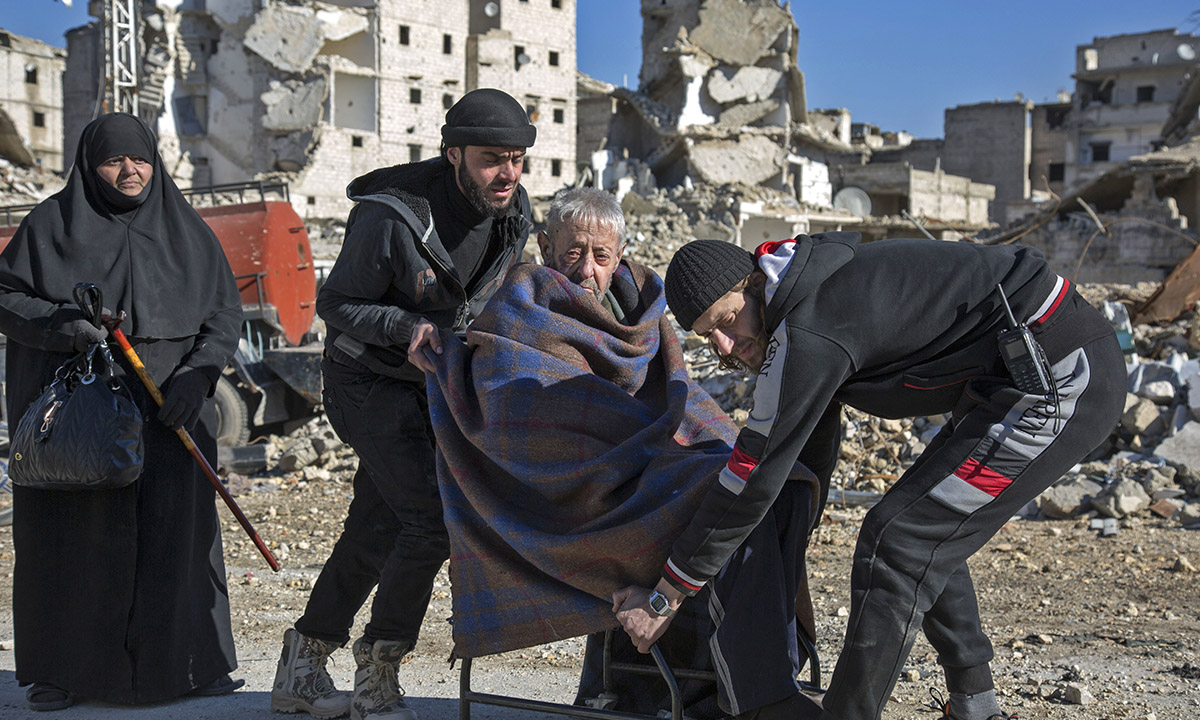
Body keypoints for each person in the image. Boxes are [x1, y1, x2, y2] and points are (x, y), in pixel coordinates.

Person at [612, 233, 1126, 720]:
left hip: (1058, 376)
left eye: (727, 320)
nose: (724, 345)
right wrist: (782, 543)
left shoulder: (806, 330)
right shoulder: (802, 291)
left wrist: (667, 594)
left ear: (752, 286)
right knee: (915, 527)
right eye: (707, 337)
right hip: (1009, 380)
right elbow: (802, 460)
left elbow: (752, 474)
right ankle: (976, 707)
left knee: (898, 542)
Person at [425, 187, 821, 719]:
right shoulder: (520, 309)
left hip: (645, 475)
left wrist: (713, 452)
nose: (587, 268)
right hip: (572, 501)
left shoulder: (642, 314)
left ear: (621, 255)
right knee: (718, 497)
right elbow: (515, 417)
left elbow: (678, 398)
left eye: (602, 255)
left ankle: (744, 680)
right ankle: (749, 696)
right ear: (545, 246)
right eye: (572, 252)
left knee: (768, 482)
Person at [270, 88, 536, 720]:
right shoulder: (391, 217)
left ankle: (302, 662)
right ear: (454, 155)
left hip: (434, 384)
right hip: (366, 380)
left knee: (378, 521)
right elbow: (333, 306)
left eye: (518, 159)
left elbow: (498, 295)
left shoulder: (513, 210)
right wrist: (404, 327)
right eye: (492, 159)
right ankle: (378, 671)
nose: (508, 174)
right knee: (428, 522)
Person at [0, 113, 244, 711]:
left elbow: (223, 314)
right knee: (76, 539)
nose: (129, 171)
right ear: (91, 165)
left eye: (139, 159)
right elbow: (6, 296)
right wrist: (67, 327)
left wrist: (200, 374)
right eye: (114, 160)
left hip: (172, 413)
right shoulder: (50, 225)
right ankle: (63, 672)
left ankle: (193, 665)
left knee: (176, 537)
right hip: (87, 415)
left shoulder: (187, 229)